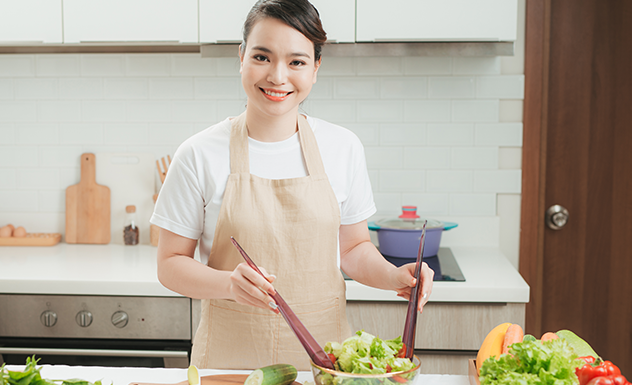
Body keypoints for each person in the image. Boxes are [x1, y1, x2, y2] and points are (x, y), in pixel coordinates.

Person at [151, 0, 434, 370]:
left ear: (316, 68)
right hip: (228, 366)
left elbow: (353, 249)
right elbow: (170, 264)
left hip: (325, 364)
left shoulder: (342, 148)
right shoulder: (198, 153)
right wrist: (228, 284)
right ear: (241, 58)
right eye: (262, 57)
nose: (278, 76)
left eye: (297, 61)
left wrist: (394, 276)